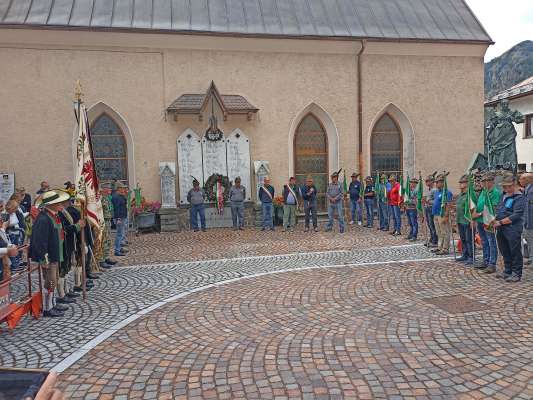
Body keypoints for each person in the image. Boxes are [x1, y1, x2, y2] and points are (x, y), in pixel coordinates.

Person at [29, 189, 71, 317]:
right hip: (49, 256)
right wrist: (44, 259)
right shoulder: (43, 219)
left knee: (54, 279)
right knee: (50, 281)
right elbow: (40, 241)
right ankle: (47, 308)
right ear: (51, 205)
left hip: (55, 254)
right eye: (58, 203)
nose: (61, 205)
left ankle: (52, 303)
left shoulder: (53, 215)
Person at [493, 175, 525, 282]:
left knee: (514, 251)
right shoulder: (503, 195)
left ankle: (516, 273)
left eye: (508, 186)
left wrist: (500, 222)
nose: (505, 189)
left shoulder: (519, 197)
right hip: (501, 228)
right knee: (504, 250)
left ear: (514, 184)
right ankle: (508, 271)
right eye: (504, 187)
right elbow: (498, 208)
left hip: (512, 228)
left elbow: (516, 215)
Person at [56, 192, 84, 304]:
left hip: (69, 243)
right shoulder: (59, 214)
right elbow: (64, 230)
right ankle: (61, 294)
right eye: (66, 201)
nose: (69, 202)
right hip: (63, 244)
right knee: (61, 270)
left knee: (66, 269)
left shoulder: (64, 212)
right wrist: (77, 226)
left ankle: (66, 291)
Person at [471, 172, 502, 273]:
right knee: (484, 241)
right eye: (482, 181)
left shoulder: (495, 192)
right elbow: (478, 204)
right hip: (480, 221)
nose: (483, 183)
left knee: (491, 241)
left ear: (491, 182)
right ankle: (486, 260)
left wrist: (479, 214)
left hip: (488, 221)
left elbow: (492, 208)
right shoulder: (483, 192)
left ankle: (492, 263)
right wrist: (475, 214)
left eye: (485, 181)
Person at [431, 174, 453, 255]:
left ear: (443, 182)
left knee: (445, 232)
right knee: (438, 232)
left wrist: (446, 215)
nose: (436, 184)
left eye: (438, 182)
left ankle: (445, 248)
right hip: (436, 214)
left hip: (442, 214)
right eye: (436, 182)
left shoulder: (447, 192)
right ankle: (439, 246)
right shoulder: (437, 192)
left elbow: (448, 204)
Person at [455, 175, 474, 265]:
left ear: (467, 184)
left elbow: (473, 208)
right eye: (460, 182)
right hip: (460, 220)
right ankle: (464, 254)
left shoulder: (470, 194)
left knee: (469, 239)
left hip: (467, 220)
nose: (460, 184)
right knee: (463, 239)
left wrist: (472, 220)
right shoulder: (461, 195)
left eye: (462, 182)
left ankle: (471, 256)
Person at [4, 199, 27, 271]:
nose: (15, 210)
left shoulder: (14, 213)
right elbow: (6, 225)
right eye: (14, 208)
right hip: (11, 234)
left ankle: (17, 264)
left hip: (17, 233)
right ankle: (14, 265)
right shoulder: (6, 214)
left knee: (17, 249)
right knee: (13, 250)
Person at [99, 184, 116, 268]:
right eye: (108, 188)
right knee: (104, 240)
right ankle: (101, 260)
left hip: (108, 221)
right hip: (103, 221)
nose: (110, 190)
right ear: (104, 189)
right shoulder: (100, 198)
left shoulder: (107, 198)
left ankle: (106, 257)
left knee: (108, 240)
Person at [112, 182, 128, 256]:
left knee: (121, 234)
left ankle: (120, 248)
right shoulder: (116, 197)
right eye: (122, 188)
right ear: (118, 189)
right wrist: (118, 218)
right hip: (120, 217)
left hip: (122, 216)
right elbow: (116, 208)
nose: (124, 189)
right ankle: (117, 250)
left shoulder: (120, 196)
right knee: (119, 234)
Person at [519, 173, 532, 266]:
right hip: (526, 220)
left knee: (531, 241)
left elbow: (529, 208)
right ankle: (531, 258)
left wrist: (528, 222)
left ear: (527, 180)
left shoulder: (531, 191)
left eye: (521, 179)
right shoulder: (527, 189)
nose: (519, 181)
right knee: (528, 240)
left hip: (530, 221)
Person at [423, 173, 439, 247]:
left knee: (432, 225)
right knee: (429, 225)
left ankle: (435, 240)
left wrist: (428, 201)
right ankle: (432, 238)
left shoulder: (435, 190)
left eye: (428, 181)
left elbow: (436, 201)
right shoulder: (429, 190)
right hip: (427, 208)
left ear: (432, 181)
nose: (426, 183)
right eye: (426, 181)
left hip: (431, 208)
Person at [404, 177, 419, 241]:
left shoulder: (416, 191)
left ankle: (414, 235)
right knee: (410, 222)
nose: (411, 184)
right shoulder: (408, 190)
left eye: (413, 183)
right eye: (411, 183)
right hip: (408, 208)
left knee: (414, 223)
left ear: (415, 184)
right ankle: (410, 234)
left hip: (413, 208)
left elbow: (416, 200)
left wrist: (409, 201)